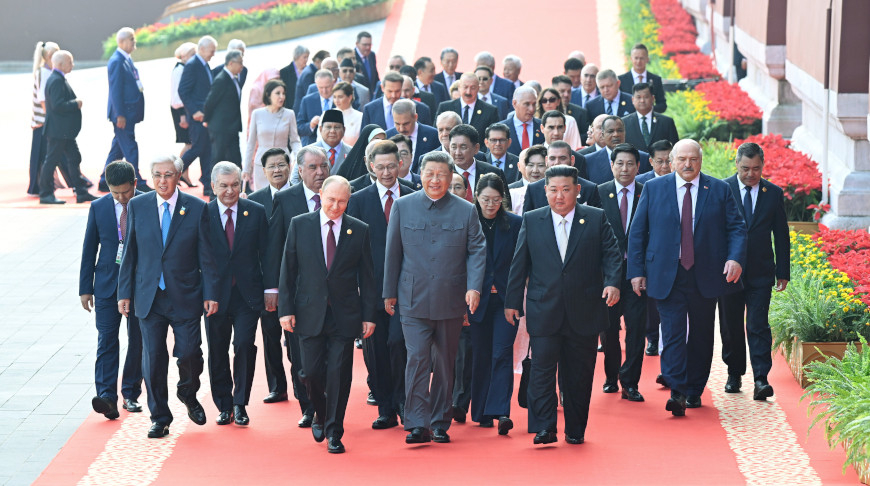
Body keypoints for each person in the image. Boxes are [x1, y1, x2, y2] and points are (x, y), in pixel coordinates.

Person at [627, 139, 747, 416]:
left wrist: (735, 258)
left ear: (700, 161)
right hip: (667, 273)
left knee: (702, 334)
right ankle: (677, 390)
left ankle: (695, 388)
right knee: (672, 333)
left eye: (693, 159)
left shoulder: (719, 189)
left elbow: (737, 228)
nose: (687, 164)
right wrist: (636, 272)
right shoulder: (654, 189)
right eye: (681, 159)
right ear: (671, 161)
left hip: (705, 273)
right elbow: (637, 233)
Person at [505, 165, 622, 445]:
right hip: (544, 309)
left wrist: (613, 282)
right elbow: (519, 264)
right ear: (545, 191)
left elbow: (612, 256)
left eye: (566, 189)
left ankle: (575, 429)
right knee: (543, 373)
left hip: (584, 310)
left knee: (578, 375)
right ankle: (545, 427)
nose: (560, 196)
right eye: (554, 190)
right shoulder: (532, 220)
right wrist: (512, 302)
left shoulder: (595, 218)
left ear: (577, 191)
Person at [383, 151, 487, 444]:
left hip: (451, 299)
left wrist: (474, 287)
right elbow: (393, 253)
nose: (435, 180)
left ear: (451, 176)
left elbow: (477, 250)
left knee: (444, 362)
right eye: (429, 174)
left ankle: (440, 421)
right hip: (412, 298)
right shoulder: (403, 206)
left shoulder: (466, 210)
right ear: (420, 175)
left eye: (442, 174)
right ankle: (417, 423)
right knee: (416, 358)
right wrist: (388, 293)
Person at [117, 155, 219, 438]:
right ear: (150, 177)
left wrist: (210, 293)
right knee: (153, 359)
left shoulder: (197, 208)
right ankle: (160, 417)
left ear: (179, 175)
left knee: (189, 352)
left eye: (169, 175)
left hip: (184, 295)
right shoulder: (138, 205)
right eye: (157, 175)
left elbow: (207, 256)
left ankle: (187, 391)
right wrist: (124, 291)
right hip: (148, 296)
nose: (163, 181)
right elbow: (130, 252)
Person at [279, 175, 377, 454]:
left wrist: (369, 316)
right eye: (331, 199)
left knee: (338, 375)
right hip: (308, 312)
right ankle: (319, 414)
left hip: (344, 315)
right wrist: (285, 310)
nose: (336, 206)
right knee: (309, 372)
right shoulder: (300, 225)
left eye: (342, 201)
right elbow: (288, 270)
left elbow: (367, 277)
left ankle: (335, 430)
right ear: (320, 194)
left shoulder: (358, 230)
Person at [347, 140, 416, 430]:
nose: (387, 172)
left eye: (392, 165)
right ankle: (385, 407)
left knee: (401, 345)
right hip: (371, 290)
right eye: (381, 166)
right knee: (375, 351)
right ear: (370, 166)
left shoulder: (414, 195)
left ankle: (404, 402)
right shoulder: (358, 200)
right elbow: (351, 249)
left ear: (401, 164)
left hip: (408, 288)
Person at [265, 146, 333, 427]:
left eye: (324, 166)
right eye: (313, 168)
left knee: (329, 355)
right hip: (297, 293)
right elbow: (275, 248)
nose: (320, 173)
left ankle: (327, 407)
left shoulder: (338, 193)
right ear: (301, 170)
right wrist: (273, 290)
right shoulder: (285, 199)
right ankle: (309, 406)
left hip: (332, 295)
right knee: (300, 356)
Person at [720, 142, 789, 400]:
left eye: (756, 169)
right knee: (731, 325)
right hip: (728, 271)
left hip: (761, 271)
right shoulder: (723, 189)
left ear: (763, 166)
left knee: (758, 324)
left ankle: (761, 378)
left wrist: (783, 271)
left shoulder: (773, 193)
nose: (751, 174)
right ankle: (734, 373)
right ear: (736, 164)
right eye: (746, 168)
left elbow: (781, 235)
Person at [201, 162, 268, 425]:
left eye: (235, 185)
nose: (230, 191)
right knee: (217, 350)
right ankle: (224, 405)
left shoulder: (256, 211)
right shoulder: (203, 214)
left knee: (243, 345)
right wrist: (207, 292)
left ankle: (240, 403)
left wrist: (270, 289)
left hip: (247, 294)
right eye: (224, 186)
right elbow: (200, 258)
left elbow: (267, 253)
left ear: (242, 184)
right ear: (214, 185)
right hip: (215, 296)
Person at [80, 160, 143, 420]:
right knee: (106, 341)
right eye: (115, 192)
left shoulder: (146, 203)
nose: (121, 197)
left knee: (137, 341)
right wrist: (85, 288)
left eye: (125, 192)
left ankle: (130, 394)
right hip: (106, 285)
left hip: (139, 286)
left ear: (135, 184)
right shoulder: (98, 207)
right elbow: (89, 248)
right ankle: (107, 397)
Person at [467, 174, 522, 433]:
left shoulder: (515, 224)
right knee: (480, 355)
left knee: (501, 352)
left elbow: (521, 265)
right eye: (486, 199)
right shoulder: (468, 222)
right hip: (475, 300)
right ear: (476, 197)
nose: (490, 205)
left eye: (496, 200)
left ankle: (500, 411)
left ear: (503, 200)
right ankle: (480, 411)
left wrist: (515, 298)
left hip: (505, 300)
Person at [596, 144, 648, 401]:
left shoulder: (647, 192)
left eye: (630, 164)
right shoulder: (599, 192)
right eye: (620, 163)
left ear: (638, 167)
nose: (625, 168)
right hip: (608, 275)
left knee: (637, 329)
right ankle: (611, 376)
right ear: (612, 165)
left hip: (638, 274)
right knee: (609, 329)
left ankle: (630, 382)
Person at [247, 149, 291, 404]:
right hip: (266, 281)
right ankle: (277, 386)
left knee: (296, 338)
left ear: (289, 166)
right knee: (270, 335)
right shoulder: (254, 201)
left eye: (281, 164)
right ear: (263, 171)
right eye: (271, 166)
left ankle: (303, 384)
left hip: (296, 279)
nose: (277, 170)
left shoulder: (299, 197)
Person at [39, 50, 96, 204]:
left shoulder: (58, 78)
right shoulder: (56, 80)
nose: (73, 65)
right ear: (61, 64)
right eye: (70, 62)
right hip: (58, 131)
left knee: (74, 158)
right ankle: (45, 194)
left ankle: (81, 192)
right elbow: (57, 105)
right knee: (51, 161)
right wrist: (75, 104)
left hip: (64, 131)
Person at [99, 27, 149, 193]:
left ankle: (103, 180)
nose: (134, 42)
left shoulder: (126, 59)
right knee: (130, 147)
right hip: (123, 114)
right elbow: (115, 90)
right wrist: (119, 114)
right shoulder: (117, 61)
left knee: (118, 148)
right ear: (121, 42)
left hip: (129, 113)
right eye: (131, 39)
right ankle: (138, 181)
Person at [635, 139, 673, 356]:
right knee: (651, 299)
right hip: (651, 251)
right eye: (660, 161)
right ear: (651, 161)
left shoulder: (681, 180)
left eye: (669, 161)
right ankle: (652, 337)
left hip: (674, 251)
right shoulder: (643, 183)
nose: (665, 166)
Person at [243, 79, 303, 191]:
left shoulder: (289, 114)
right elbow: (251, 143)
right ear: (268, 94)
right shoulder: (257, 114)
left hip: (282, 164)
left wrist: (301, 159)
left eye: (283, 93)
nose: (282, 96)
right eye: (278, 93)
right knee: (261, 200)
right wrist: (246, 168)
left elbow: (295, 141)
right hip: (262, 165)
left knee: (282, 197)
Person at [179, 36, 218, 195]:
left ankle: (208, 186)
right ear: (202, 49)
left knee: (206, 150)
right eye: (212, 51)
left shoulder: (204, 64)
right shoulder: (193, 65)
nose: (213, 54)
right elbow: (183, 90)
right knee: (197, 148)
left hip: (205, 115)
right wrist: (194, 111)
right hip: (197, 117)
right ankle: (175, 170)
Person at [523, 141, 600, 212]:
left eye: (562, 158)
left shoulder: (589, 188)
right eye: (552, 158)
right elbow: (527, 224)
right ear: (546, 161)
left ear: (572, 160)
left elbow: (596, 221)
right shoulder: (533, 189)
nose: (557, 162)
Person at [203, 49, 244, 176]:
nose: (242, 66)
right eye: (240, 63)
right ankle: (211, 189)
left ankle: (240, 184)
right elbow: (210, 102)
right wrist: (206, 120)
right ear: (231, 63)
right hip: (220, 127)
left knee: (236, 158)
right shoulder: (221, 79)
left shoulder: (233, 78)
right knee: (218, 158)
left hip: (232, 126)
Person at [448, 124, 510, 204]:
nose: (457, 153)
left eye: (463, 147)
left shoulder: (494, 173)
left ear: (476, 148)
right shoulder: (445, 174)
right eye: (454, 147)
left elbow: (506, 206)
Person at [28, 40, 60, 196]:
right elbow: (42, 99)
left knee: (44, 155)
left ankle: (43, 185)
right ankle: (37, 187)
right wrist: (50, 119)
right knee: (41, 156)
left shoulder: (47, 72)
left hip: (43, 121)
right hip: (42, 122)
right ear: (49, 56)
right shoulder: (43, 73)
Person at [436, 73, 499, 145]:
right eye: (465, 87)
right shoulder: (445, 107)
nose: (468, 92)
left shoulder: (490, 111)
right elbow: (437, 133)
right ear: (459, 87)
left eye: (473, 88)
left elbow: (492, 139)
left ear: (478, 88)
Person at [291, 110, 352, 185]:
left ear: (344, 130)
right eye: (328, 127)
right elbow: (294, 180)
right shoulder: (306, 151)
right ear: (320, 129)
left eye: (337, 127)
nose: (332, 131)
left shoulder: (352, 152)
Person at [585, 116, 651, 184]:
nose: (616, 135)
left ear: (625, 132)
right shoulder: (589, 161)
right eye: (611, 131)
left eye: (619, 130)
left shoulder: (643, 158)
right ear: (603, 135)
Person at [622, 83, 679, 153]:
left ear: (653, 99)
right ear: (633, 100)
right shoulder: (624, 123)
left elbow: (675, 149)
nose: (642, 100)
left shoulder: (666, 122)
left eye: (646, 97)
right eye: (638, 97)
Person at [385, 99, 440, 170]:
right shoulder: (387, 137)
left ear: (415, 117)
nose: (401, 129)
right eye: (397, 124)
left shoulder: (432, 135)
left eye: (406, 124)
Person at [170, 42, 197, 186]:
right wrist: (182, 114)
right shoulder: (179, 69)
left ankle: (183, 173)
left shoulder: (185, 68)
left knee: (190, 143)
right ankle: (180, 172)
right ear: (184, 55)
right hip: (180, 110)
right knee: (190, 143)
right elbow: (176, 96)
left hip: (185, 109)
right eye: (192, 54)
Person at [619, 43, 667, 113]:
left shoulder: (656, 80)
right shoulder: (621, 80)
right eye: (636, 58)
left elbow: (662, 105)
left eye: (641, 58)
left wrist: (648, 109)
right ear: (631, 59)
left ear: (647, 59)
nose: (638, 61)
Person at [540, 111, 588, 179]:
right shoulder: (533, 156)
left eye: (560, 127)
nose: (556, 133)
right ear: (542, 128)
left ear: (565, 128)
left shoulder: (579, 159)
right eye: (551, 127)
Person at [500, 86, 544, 156]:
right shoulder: (500, 129)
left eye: (534, 104)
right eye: (527, 104)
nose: (532, 109)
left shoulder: (543, 127)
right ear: (514, 103)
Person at [552, 75, 590, 146]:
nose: (566, 95)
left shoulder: (581, 113)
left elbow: (586, 136)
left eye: (569, 91)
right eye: (562, 91)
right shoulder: (545, 110)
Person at [509, 145, 547, 214]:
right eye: (531, 165)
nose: (535, 170)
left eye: (541, 165)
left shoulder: (554, 194)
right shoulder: (513, 195)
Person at [279, 45, 309, 109]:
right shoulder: (284, 72)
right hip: (291, 108)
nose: (307, 60)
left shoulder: (309, 71)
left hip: (307, 107)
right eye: (304, 57)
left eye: (307, 57)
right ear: (297, 56)